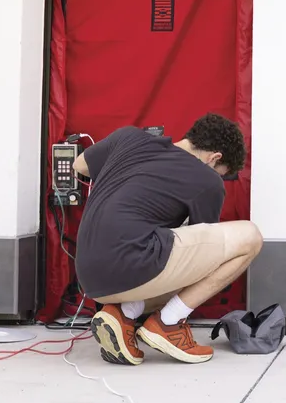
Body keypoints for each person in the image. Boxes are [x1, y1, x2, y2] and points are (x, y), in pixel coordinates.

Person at [71, 113, 263, 366]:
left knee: (162, 246)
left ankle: (123, 313)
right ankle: (168, 323)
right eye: (222, 172)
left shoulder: (127, 136)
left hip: (89, 276)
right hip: (130, 263)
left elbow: (79, 166)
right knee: (250, 237)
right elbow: (202, 264)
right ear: (214, 158)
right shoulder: (208, 180)